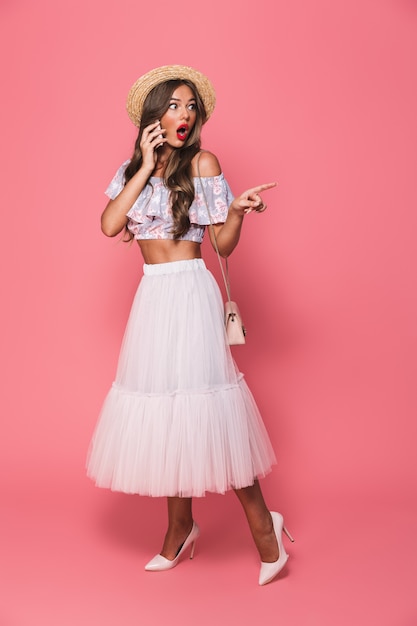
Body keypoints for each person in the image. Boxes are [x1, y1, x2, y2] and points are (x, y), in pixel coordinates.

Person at [87, 65, 293, 585]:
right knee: (166, 412)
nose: (185, 114)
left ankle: (266, 530)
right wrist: (145, 163)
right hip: (152, 296)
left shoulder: (204, 162)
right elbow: (111, 224)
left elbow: (220, 244)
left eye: (191, 106)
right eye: (175, 105)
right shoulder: (134, 169)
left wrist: (239, 211)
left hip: (190, 290)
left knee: (208, 403)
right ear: (153, 115)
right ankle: (180, 529)